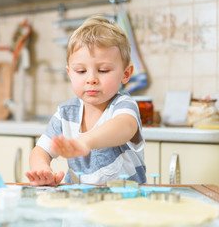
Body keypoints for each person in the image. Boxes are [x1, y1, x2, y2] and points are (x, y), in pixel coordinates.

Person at [25, 15, 146, 186]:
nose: (91, 79)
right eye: (81, 71)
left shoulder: (123, 105)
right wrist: (43, 170)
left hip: (124, 204)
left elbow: (124, 127)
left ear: (125, 74)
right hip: (80, 202)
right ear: (69, 73)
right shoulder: (65, 113)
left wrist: (85, 141)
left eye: (103, 70)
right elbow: (40, 150)